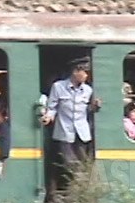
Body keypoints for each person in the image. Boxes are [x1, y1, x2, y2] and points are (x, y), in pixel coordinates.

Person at [40, 56, 96, 188]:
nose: (86, 76)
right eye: (84, 72)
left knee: (82, 162)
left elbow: (87, 110)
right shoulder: (58, 87)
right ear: (75, 72)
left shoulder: (88, 90)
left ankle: (78, 193)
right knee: (69, 161)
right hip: (64, 131)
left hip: (82, 133)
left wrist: (94, 107)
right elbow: (52, 107)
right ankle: (81, 186)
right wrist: (48, 116)